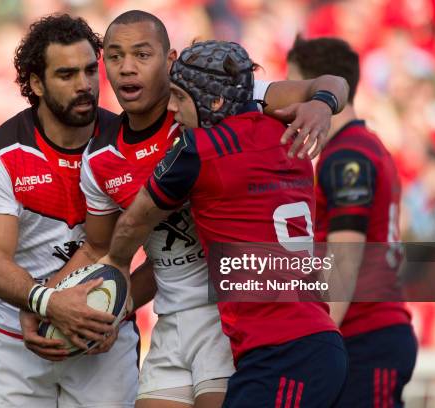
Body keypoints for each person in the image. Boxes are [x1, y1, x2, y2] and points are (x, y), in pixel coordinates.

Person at [21, 10, 350, 408]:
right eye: (115, 56)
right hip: (170, 321)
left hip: (225, 321)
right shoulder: (101, 159)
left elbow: (328, 84)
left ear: (170, 61)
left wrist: (322, 103)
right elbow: (100, 251)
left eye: (143, 55)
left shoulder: (215, 111)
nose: (127, 68)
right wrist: (51, 301)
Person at [0, 14, 139, 407]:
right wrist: (47, 304)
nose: (84, 85)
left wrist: (118, 309)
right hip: (20, 341)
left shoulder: (126, 142)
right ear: (36, 83)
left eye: (89, 71)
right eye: (66, 75)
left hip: (102, 341)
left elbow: (162, 258)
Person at [286, 35, 417, 408]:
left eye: (294, 85)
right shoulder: (364, 145)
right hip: (370, 331)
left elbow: (345, 256)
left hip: (364, 333)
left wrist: (320, 340)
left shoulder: (348, 157)